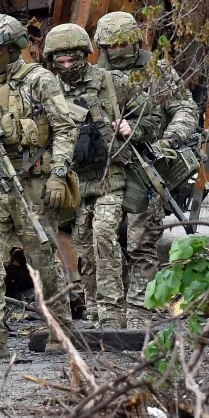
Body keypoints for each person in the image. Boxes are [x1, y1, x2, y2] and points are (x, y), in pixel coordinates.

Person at [0, 14, 78, 358]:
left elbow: (65, 128)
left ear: (15, 47)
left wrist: (58, 173)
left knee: (42, 260)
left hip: (32, 181)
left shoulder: (39, 81)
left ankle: (60, 330)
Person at [42, 23, 160, 329]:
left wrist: (132, 128)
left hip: (112, 175)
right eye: (61, 62)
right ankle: (93, 306)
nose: (67, 67)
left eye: (73, 60)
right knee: (83, 245)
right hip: (78, 182)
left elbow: (153, 115)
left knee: (105, 234)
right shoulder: (50, 90)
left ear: (85, 54)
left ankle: (111, 311)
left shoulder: (111, 82)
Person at [94, 11, 199, 328]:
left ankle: (141, 312)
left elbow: (185, 107)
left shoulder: (156, 70)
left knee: (141, 242)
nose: (118, 50)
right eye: (111, 45)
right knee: (103, 239)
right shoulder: (94, 76)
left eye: (124, 43)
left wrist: (172, 138)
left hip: (149, 164)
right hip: (108, 169)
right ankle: (108, 312)